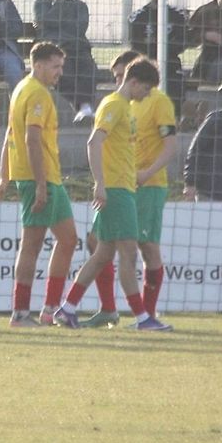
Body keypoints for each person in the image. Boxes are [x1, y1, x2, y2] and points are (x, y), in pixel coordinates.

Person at [54, 56, 172, 331]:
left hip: (123, 188)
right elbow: (94, 141)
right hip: (116, 189)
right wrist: (100, 184)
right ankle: (143, 318)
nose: (146, 96)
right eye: (145, 89)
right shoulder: (114, 105)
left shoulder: (126, 107)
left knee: (103, 254)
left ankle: (67, 309)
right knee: (128, 254)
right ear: (133, 82)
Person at [0, 42, 77, 328]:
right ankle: (22, 312)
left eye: (61, 67)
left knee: (67, 239)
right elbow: (30, 139)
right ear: (37, 65)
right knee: (32, 244)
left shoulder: (22, 89)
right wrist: (40, 184)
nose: (59, 72)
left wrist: (4, 176)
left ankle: (49, 309)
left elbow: (10, 136)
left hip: (42, 177)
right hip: (41, 177)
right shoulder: (37, 94)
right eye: (55, 66)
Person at [32, 0, 97, 123]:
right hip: (53, 50)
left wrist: (54, 22)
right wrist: (59, 4)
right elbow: (44, 21)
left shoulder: (79, 5)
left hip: (77, 48)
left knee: (89, 69)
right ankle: (82, 106)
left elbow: (79, 28)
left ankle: (86, 107)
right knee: (61, 72)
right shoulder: (41, 4)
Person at [128, 0, 192, 113]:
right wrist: (162, 45)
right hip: (145, 62)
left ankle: (174, 118)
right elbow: (136, 45)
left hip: (170, 62)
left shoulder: (177, 16)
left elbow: (181, 43)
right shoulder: (139, 17)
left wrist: (157, 45)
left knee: (175, 81)